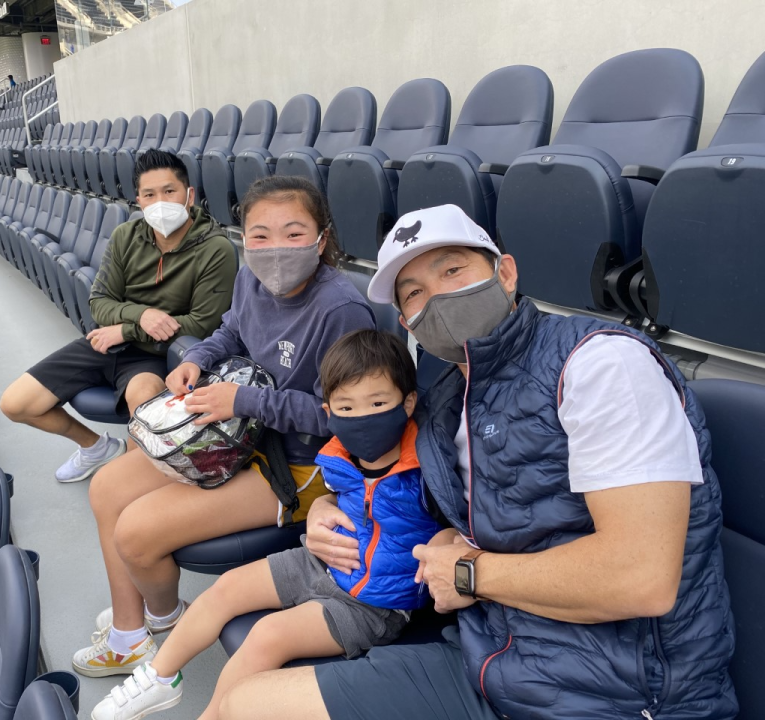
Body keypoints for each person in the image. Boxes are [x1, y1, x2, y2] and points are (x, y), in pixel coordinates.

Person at [216, 203, 738, 720]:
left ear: (505, 273)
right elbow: (416, 498)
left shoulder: (600, 365)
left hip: (614, 694)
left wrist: (469, 573)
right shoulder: (447, 397)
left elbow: (640, 577)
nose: (437, 297)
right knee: (247, 704)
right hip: (487, 653)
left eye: (452, 269)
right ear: (407, 323)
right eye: (415, 292)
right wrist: (335, 504)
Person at [74, 175, 375, 692]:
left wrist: (244, 401)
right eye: (259, 234)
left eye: (293, 232)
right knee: (106, 487)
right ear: (243, 236)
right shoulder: (252, 277)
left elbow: (344, 419)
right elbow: (231, 329)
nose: (274, 248)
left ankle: (165, 622)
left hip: (299, 466)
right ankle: (130, 637)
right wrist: (197, 358)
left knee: (137, 532)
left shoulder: (341, 310)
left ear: (322, 239)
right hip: (240, 433)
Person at [89, 329, 440, 720]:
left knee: (267, 636)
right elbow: (338, 500)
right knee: (227, 588)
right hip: (321, 561)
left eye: (377, 402)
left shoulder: (428, 468)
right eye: (347, 408)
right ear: (329, 412)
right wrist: (323, 506)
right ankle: (158, 678)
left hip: (372, 603)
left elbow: (450, 530)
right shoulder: (338, 453)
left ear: (407, 403)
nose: (362, 418)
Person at [0, 149, 238, 483]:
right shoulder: (126, 236)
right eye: (149, 194)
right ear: (138, 199)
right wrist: (140, 318)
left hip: (158, 354)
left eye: (169, 191)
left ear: (189, 195)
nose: (160, 202)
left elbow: (203, 324)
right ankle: (95, 447)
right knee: (16, 404)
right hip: (106, 343)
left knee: (142, 402)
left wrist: (127, 331)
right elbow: (99, 301)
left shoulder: (217, 248)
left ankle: (133, 477)